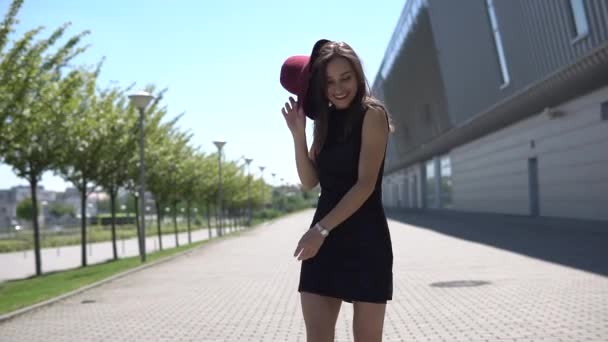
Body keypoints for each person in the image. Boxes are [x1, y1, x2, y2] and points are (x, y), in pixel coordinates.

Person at [279, 39, 394, 342]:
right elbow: (309, 181)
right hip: (324, 242)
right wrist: (298, 134)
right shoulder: (325, 120)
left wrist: (321, 229)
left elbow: (365, 184)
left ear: (358, 76)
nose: (338, 88)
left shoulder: (373, 114)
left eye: (346, 78)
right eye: (329, 81)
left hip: (365, 240)